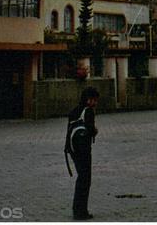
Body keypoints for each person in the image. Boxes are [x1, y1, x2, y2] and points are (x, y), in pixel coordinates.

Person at [65, 86, 100, 221]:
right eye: (93, 100)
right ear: (88, 99)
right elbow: (91, 130)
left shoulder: (74, 110)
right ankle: (82, 212)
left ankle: (76, 209)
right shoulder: (89, 111)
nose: (95, 103)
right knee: (85, 180)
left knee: (81, 178)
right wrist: (95, 131)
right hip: (84, 150)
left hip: (72, 149)